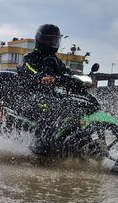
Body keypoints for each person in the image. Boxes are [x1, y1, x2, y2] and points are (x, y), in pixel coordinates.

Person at [18, 24, 73, 154]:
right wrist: (41, 77)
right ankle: (40, 143)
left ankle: (69, 140)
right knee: (48, 105)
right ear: (40, 39)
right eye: (48, 40)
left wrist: (77, 79)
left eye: (54, 40)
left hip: (50, 96)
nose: (52, 43)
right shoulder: (29, 58)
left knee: (72, 104)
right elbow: (28, 70)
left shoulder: (56, 61)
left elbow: (66, 73)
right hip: (29, 96)